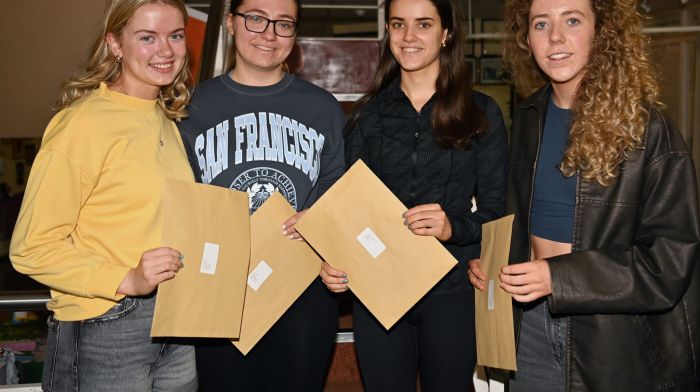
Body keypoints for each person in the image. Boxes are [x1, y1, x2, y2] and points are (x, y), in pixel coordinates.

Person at [468, 0, 700, 390]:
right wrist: (495, 265)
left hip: (612, 338)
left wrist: (556, 277)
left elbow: (670, 262)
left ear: (602, 31)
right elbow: (521, 220)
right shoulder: (529, 118)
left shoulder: (647, 129)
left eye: (572, 20)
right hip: (532, 325)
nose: (555, 37)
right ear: (526, 39)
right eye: (541, 24)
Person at [9, 0, 197, 390]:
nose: (166, 51)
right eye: (147, 37)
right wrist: (125, 278)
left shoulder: (164, 117)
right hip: (105, 324)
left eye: (175, 35)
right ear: (115, 44)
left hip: (174, 320)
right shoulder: (82, 125)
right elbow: (31, 247)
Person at [320, 0, 508, 390]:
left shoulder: (481, 113)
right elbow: (349, 212)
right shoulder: (367, 116)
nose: (409, 36)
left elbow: (497, 213)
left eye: (423, 24)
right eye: (398, 24)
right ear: (387, 31)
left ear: (446, 34)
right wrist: (333, 260)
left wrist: (452, 226)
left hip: (452, 291)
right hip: (378, 291)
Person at [176, 0, 345, 390]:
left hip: (303, 288)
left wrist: (319, 221)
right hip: (221, 291)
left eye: (283, 24)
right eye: (256, 18)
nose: (269, 33)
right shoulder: (190, 109)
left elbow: (336, 192)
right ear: (232, 24)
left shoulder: (323, 108)